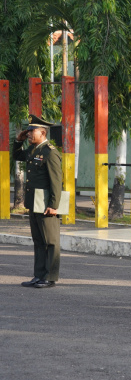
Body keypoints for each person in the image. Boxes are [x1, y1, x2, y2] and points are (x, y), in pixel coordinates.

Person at [15, 114, 63, 289]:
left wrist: (54, 205)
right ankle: (39, 275)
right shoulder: (34, 150)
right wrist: (18, 141)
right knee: (38, 241)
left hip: (46, 204)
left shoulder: (50, 152)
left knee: (50, 241)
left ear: (42, 132)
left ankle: (50, 277)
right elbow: (17, 155)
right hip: (34, 202)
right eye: (27, 130)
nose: (28, 133)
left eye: (31, 131)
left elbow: (56, 181)